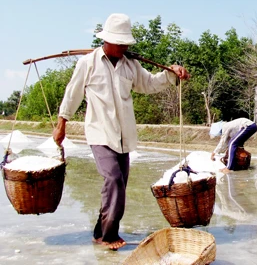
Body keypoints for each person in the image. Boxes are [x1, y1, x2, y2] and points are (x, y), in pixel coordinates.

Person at [52, 13, 190, 250]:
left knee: (118, 185)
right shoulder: (88, 63)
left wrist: (171, 74)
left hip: (124, 136)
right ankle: (108, 236)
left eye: (126, 43)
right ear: (107, 41)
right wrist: (61, 124)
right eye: (120, 42)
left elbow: (148, 84)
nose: (124, 47)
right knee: (113, 180)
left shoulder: (130, 65)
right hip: (100, 133)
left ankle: (99, 230)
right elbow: (72, 94)